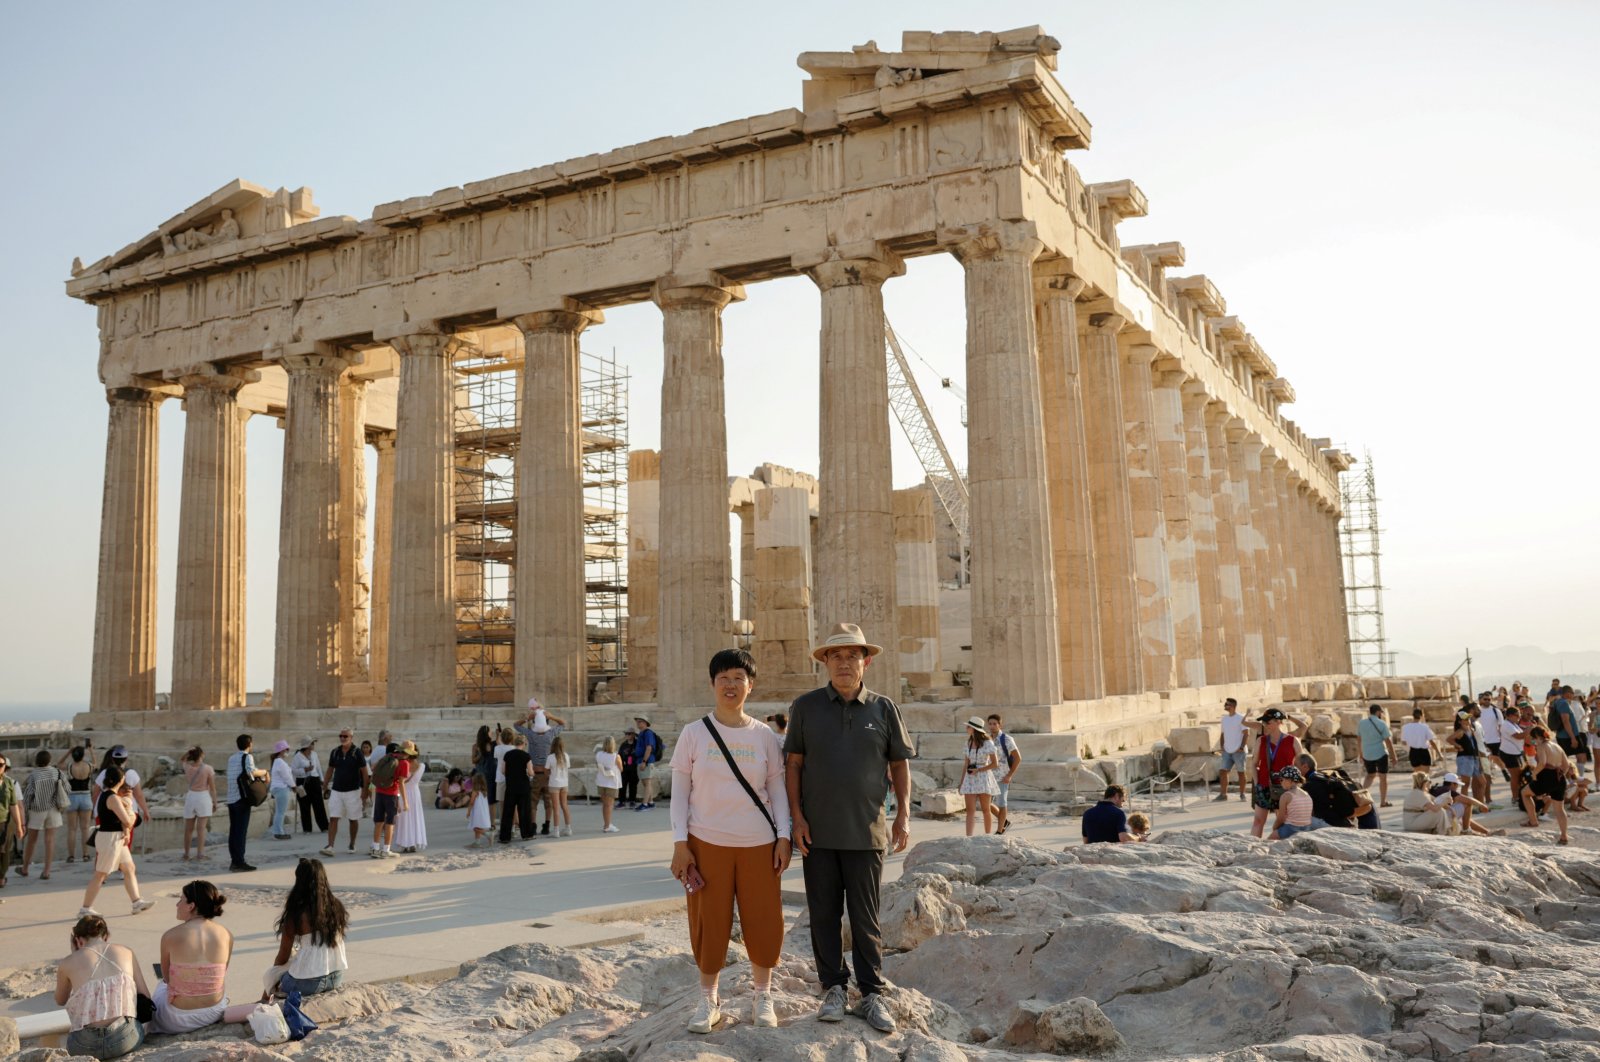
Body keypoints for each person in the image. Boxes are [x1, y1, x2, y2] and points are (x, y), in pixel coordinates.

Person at [785, 623, 913, 1035]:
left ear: (866, 661)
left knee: (866, 917)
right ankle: (833, 988)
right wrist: (796, 818)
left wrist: (904, 814)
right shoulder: (805, 707)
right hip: (817, 832)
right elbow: (794, 765)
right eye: (835, 656)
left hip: (867, 831)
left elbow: (899, 764)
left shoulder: (884, 708)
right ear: (825, 662)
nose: (844, 663)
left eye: (852, 655)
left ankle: (872, 992)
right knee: (823, 915)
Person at [670, 649, 792, 1034]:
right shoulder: (693, 733)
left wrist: (784, 835)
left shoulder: (765, 737)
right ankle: (709, 998)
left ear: (750, 685)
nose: (731, 684)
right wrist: (679, 843)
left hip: (758, 841)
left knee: (764, 919)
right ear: (712, 684)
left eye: (739, 677)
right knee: (709, 922)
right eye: (723, 677)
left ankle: (763, 994)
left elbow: (778, 790)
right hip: (706, 841)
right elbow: (679, 793)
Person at [55, 913, 150, 1059]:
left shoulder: (68, 962)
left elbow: (60, 1000)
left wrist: (75, 955)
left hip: (85, 1045)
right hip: (124, 1038)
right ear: (106, 936)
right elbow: (145, 995)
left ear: (78, 941)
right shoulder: (127, 952)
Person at [151, 880, 232, 1034]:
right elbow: (222, 972)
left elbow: (167, 979)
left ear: (191, 906)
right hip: (215, 1012)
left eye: (180, 899)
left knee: (160, 986)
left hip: (179, 1019)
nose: (177, 904)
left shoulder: (171, 936)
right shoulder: (226, 934)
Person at [262, 858, 349, 1000]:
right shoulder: (336, 907)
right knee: (287, 967)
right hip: (336, 977)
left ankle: (265, 1000)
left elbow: (283, 955)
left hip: (308, 983)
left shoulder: (297, 914)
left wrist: (274, 975)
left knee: (271, 974)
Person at [79, 765, 156, 917]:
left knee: (129, 868)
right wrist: (130, 805)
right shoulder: (112, 798)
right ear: (120, 780)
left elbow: (123, 822)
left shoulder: (108, 795)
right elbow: (127, 821)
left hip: (116, 837)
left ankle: (136, 902)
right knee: (101, 874)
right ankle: (85, 908)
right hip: (110, 838)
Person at [1245, 709, 1304, 838]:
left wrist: (1296, 785)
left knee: (1282, 821)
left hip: (1285, 788)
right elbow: (1254, 764)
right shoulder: (1261, 740)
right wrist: (1257, 783)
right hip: (1264, 785)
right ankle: (1252, 848)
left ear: (1278, 722)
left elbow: (1301, 765)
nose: (1265, 725)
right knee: (1258, 820)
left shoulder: (1293, 741)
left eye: (1268, 722)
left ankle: (1282, 850)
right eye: (1264, 722)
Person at [515, 704, 567, 834]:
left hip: (536, 774)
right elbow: (563, 724)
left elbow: (516, 725)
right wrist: (551, 716)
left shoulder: (531, 735)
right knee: (548, 802)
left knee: (533, 803)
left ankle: (533, 825)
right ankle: (547, 825)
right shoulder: (550, 734)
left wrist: (528, 718)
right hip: (549, 774)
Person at [1522, 725, 1573, 844]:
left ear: (1537, 737)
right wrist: (1560, 776)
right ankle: (1564, 836)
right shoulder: (1556, 745)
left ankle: (1533, 821)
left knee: (1524, 793)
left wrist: (1534, 774)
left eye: (1533, 738)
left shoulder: (1541, 746)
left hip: (1546, 776)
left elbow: (1543, 763)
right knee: (1560, 809)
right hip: (1559, 777)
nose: (1533, 741)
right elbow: (1566, 765)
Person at [322, 728, 368, 857]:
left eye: (345, 736)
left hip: (353, 791)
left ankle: (352, 843)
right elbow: (330, 769)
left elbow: (364, 772)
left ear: (351, 737)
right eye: (341, 736)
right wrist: (325, 784)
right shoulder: (335, 752)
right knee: (333, 817)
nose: (342, 738)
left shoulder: (357, 752)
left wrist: (365, 790)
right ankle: (330, 845)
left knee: (353, 819)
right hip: (337, 789)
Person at [21, 748, 65, 880]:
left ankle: (25, 868)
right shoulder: (57, 772)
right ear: (49, 760)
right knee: (50, 840)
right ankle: (47, 871)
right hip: (53, 809)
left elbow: (28, 795)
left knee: (31, 841)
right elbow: (66, 788)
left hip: (37, 810)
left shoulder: (34, 775)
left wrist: (26, 810)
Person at [224, 735, 265, 873]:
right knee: (241, 832)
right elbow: (251, 772)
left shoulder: (231, 758)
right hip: (242, 799)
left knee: (234, 831)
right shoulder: (247, 757)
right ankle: (240, 862)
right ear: (249, 744)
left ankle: (234, 861)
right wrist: (265, 772)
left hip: (231, 799)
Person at [958, 716, 1000, 837]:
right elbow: (966, 763)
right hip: (970, 778)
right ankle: (969, 837)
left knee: (986, 810)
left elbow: (995, 764)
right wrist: (961, 783)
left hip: (983, 777)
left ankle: (988, 836)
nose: (966, 728)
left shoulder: (988, 743)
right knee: (970, 811)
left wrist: (979, 770)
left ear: (974, 729)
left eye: (968, 726)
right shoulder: (968, 742)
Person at [92, 746, 151, 827]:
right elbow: (139, 795)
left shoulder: (104, 773)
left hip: (104, 812)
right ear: (126, 759)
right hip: (128, 811)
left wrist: (96, 808)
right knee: (125, 838)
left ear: (112, 759)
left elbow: (95, 794)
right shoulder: (131, 773)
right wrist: (145, 810)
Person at [368, 742, 409, 859]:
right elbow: (401, 783)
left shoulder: (387, 757)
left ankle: (375, 848)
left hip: (380, 791)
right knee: (390, 823)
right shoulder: (404, 763)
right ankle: (386, 849)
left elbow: (373, 768)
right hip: (392, 794)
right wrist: (405, 801)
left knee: (379, 821)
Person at [986, 714, 1021, 834]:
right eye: (990, 724)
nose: (992, 726)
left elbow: (1018, 758)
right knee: (985, 804)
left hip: (1002, 776)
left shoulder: (1006, 739)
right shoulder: (987, 739)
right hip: (989, 776)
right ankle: (1004, 821)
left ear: (1000, 725)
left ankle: (1000, 831)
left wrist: (1009, 775)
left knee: (1002, 803)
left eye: (994, 723)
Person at [180, 747, 217, 862]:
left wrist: (188, 752)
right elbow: (212, 788)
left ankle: (186, 854)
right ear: (202, 755)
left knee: (188, 829)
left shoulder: (188, 768)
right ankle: (200, 854)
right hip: (203, 796)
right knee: (201, 828)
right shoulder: (208, 769)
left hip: (191, 796)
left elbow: (182, 759)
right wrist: (215, 801)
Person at [498, 732, 536, 844]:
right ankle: (527, 834)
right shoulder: (526, 756)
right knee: (524, 811)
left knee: (508, 812)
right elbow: (530, 772)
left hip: (511, 786)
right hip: (523, 786)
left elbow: (503, 771)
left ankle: (505, 837)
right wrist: (532, 773)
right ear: (524, 743)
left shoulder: (507, 755)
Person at [1431, 772, 1495, 837]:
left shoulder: (1438, 789)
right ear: (1453, 784)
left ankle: (1486, 832)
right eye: (1457, 785)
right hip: (1441, 817)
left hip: (1435, 817)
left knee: (1464, 819)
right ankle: (1466, 831)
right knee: (1467, 805)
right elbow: (1468, 800)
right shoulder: (1448, 790)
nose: (1457, 787)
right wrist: (1482, 805)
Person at [62, 744, 96, 864]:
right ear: (82, 755)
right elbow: (95, 764)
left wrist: (68, 751)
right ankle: (85, 855)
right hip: (86, 797)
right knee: (85, 828)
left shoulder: (70, 766)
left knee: (72, 829)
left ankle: (71, 856)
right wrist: (91, 750)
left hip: (72, 797)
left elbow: (58, 764)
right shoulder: (88, 766)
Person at [1356, 705, 1396, 807]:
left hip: (1367, 754)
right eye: (1381, 713)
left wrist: (1360, 753)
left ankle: (1360, 797)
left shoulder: (1361, 723)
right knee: (1383, 778)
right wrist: (1393, 756)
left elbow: (1359, 739)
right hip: (1380, 753)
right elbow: (1388, 741)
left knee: (1370, 775)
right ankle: (1383, 802)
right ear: (1378, 712)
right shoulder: (1382, 723)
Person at [393, 742, 428, 853]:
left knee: (403, 819)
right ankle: (412, 843)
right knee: (414, 818)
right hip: (415, 793)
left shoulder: (401, 764)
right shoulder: (421, 766)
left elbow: (400, 781)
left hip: (403, 792)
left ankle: (405, 843)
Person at [291, 736, 329, 836]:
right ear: (307, 745)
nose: (313, 745)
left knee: (319, 804)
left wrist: (322, 780)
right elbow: (293, 770)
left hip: (314, 779)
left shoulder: (314, 754)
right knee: (304, 805)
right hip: (302, 781)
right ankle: (307, 828)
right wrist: (305, 770)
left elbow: (319, 768)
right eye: (312, 743)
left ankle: (324, 826)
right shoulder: (297, 756)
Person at [1215, 697, 1249, 802]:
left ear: (1233, 706)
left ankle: (1242, 794)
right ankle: (1223, 794)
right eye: (1225, 704)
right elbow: (1223, 733)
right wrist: (1222, 746)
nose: (1225, 706)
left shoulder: (1241, 718)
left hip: (1239, 751)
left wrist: (1241, 747)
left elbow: (1246, 734)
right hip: (1227, 751)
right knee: (1223, 771)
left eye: (1227, 704)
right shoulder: (1224, 718)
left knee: (1241, 772)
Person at [1494, 702, 1528, 808]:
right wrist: (1529, 729)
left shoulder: (1513, 724)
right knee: (1515, 776)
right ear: (1509, 716)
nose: (1519, 717)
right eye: (1516, 715)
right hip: (1508, 753)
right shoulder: (1506, 725)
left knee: (1518, 775)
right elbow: (1518, 736)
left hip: (1515, 752)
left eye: (1519, 715)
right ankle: (1515, 798)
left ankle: (1517, 796)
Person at [1402, 770, 1455, 835]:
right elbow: (1435, 809)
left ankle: (1444, 831)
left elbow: (1435, 801)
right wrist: (1445, 801)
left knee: (1440, 810)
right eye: (1430, 781)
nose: (1431, 783)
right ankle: (1443, 833)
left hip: (1411, 821)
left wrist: (1450, 809)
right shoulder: (1419, 794)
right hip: (1412, 823)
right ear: (1425, 783)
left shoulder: (1419, 792)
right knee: (1439, 812)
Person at [1269, 766, 1315, 840]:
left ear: (1289, 780)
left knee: (1268, 842)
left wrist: (1274, 828)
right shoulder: (1307, 794)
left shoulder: (1286, 796)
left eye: (1281, 780)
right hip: (1307, 829)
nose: (1280, 782)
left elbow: (1281, 818)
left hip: (1290, 829)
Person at [1548, 685, 1586, 776]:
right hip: (1568, 735)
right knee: (1581, 757)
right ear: (1568, 694)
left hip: (1561, 735)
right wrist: (1573, 737)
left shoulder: (1557, 702)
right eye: (1572, 693)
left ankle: (1569, 780)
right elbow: (1565, 721)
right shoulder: (1564, 703)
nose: (1573, 695)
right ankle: (1577, 779)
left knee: (1565, 759)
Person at [0, 754, 22, 891]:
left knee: (4, 851)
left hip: (5, 822)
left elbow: (14, 805)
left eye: (1, 765)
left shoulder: (8, 783)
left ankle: (2, 876)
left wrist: (19, 825)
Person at [470, 724, 499, 828]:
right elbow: (473, 760)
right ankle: (481, 821)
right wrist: (480, 753)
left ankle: (492, 823)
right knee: (481, 799)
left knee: (491, 801)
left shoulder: (493, 744)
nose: (491, 733)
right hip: (481, 776)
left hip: (491, 775)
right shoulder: (476, 746)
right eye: (490, 732)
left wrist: (498, 735)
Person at [266, 740, 295, 840]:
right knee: (280, 812)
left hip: (278, 788)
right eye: (287, 749)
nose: (288, 751)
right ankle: (279, 832)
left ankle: (278, 831)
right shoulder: (280, 763)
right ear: (282, 750)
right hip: (282, 789)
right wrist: (294, 786)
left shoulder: (277, 762)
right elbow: (287, 777)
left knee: (279, 811)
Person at [634, 716, 665, 811]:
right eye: (637, 722)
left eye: (640, 722)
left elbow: (649, 748)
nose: (638, 723)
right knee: (645, 783)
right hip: (641, 760)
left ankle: (645, 804)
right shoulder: (642, 733)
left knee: (647, 783)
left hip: (646, 761)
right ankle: (651, 802)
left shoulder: (648, 733)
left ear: (645, 722)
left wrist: (644, 761)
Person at [594, 736, 623, 833]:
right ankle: (607, 825)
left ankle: (606, 824)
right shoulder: (616, 756)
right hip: (611, 782)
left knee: (605, 804)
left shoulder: (598, 754)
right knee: (609, 805)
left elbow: (597, 765)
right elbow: (621, 768)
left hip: (601, 781)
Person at [546, 735, 572, 837]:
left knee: (556, 807)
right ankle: (568, 828)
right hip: (564, 783)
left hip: (554, 783)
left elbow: (546, 771)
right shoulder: (566, 756)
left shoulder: (550, 757)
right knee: (564, 806)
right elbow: (567, 767)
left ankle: (556, 830)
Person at [466, 775, 492, 847]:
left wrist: (468, 812)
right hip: (483, 812)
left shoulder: (475, 791)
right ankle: (477, 842)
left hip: (477, 812)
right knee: (477, 826)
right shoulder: (484, 792)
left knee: (474, 827)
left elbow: (471, 802)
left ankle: (488, 834)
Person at [618, 728, 640, 807]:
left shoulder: (637, 744)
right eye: (626, 734)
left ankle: (632, 801)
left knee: (633, 785)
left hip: (634, 767)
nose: (627, 735)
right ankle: (621, 801)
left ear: (633, 735)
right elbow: (619, 755)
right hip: (624, 767)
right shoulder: (623, 744)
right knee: (623, 785)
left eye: (629, 734)